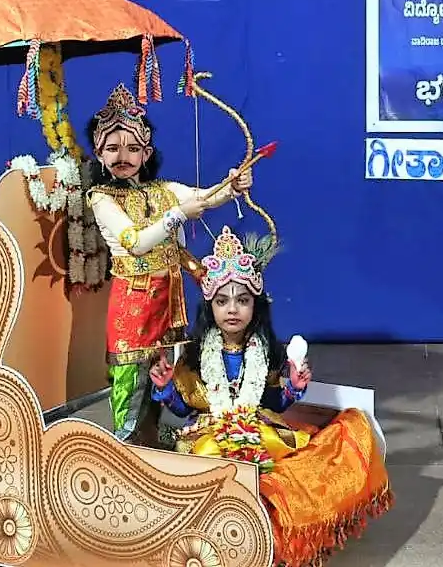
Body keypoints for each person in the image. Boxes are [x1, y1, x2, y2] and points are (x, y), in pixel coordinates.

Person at [148, 226, 393, 567]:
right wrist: (164, 388)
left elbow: (276, 403)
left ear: (256, 305)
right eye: (222, 301)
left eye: (242, 300)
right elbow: (183, 406)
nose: (232, 310)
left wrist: (293, 385)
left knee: (291, 469)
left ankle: (269, 541)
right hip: (207, 432)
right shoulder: (195, 354)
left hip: (259, 425)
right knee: (210, 458)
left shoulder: (266, 351)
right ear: (210, 307)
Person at [85, 83, 253, 443]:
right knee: (130, 381)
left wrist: (234, 186)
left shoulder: (163, 190)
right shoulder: (100, 197)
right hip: (131, 305)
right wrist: (177, 215)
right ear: (99, 155)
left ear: (146, 153)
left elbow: (204, 199)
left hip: (166, 302)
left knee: (163, 376)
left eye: (132, 148)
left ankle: (151, 444)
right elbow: (135, 242)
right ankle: (126, 449)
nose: (122, 157)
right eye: (112, 149)